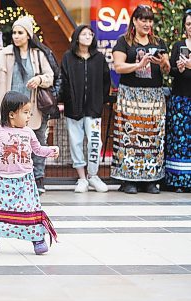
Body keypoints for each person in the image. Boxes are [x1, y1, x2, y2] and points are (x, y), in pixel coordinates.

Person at [0, 91, 59, 255]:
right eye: (25, 113)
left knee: (29, 209)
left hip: (25, 180)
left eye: (29, 113)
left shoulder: (29, 132)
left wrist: (51, 151)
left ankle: (38, 240)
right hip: (3, 181)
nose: (28, 117)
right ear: (11, 114)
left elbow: (38, 149)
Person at [0, 16, 54, 194]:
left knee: (37, 141)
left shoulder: (38, 55)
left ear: (28, 35)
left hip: (32, 108)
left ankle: (38, 179)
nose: (16, 36)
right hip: (10, 110)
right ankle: (6, 178)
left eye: (20, 32)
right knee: (8, 145)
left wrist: (39, 79)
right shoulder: (3, 53)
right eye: (14, 32)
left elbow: (50, 76)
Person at [111, 4, 170, 194]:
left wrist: (163, 63)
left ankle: (150, 180)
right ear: (134, 21)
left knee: (153, 137)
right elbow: (119, 67)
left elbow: (167, 70)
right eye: (143, 19)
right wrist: (139, 64)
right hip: (130, 95)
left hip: (154, 96)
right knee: (129, 137)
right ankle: (129, 180)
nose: (147, 23)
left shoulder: (159, 42)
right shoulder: (123, 41)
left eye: (150, 20)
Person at [59, 25, 111, 193]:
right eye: (84, 33)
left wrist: (100, 101)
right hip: (73, 109)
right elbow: (63, 80)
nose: (88, 36)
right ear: (77, 37)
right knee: (76, 142)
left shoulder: (99, 58)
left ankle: (93, 176)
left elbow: (106, 81)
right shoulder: (68, 57)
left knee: (95, 142)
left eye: (90, 34)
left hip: (94, 109)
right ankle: (82, 178)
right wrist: (64, 100)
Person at [165, 9, 191, 193]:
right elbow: (171, 71)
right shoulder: (178, 45)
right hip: (181, 98)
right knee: (179, 141)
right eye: (189, 24)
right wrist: (179, 69)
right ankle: (178, 181)